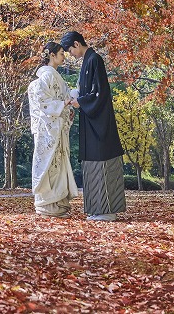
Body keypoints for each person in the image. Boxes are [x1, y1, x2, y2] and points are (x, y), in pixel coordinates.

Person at [60, 30, 125, 221]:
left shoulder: (94, 59)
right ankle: (99, 209)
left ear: (77, 44)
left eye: (70, 50)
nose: (71, 54)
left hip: (99, 123)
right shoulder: (88, 61)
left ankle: (106, 210)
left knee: (102, 164)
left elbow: (100, 93)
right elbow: (88, 90)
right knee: (93, 165)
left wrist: (81, 102)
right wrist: (78, 97)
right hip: (92, 121)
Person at [27, 42, 79, 217]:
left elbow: (63, 100)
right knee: (49, 164)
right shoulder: (44, 78)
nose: (64, 57)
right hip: (48, 130)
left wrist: (69, 105)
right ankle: (48, 204)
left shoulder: (56, 77)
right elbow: (43, 102)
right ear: (52, 55)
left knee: (58, 164)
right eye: (62, 53)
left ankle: (58, 202)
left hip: (57, 129)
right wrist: (62, 104)